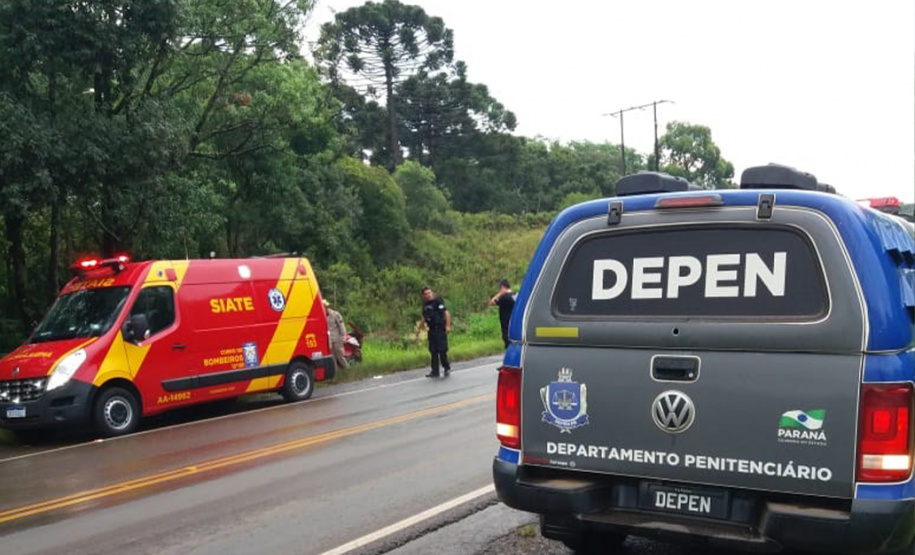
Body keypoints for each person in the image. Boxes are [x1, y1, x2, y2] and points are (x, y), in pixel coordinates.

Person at [416, 286, 451, 378]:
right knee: (433, 351)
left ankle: (446, 367)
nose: (428, 295)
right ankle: (435, 371)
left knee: (442, 350)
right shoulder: (425, 305)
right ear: (423, 295)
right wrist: (419, 329)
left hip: (440, 328)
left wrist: (447, 326)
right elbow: (423, 318)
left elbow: (446, 314)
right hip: (431, 330)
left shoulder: (438, 301)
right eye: (426, 294)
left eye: (429, 293)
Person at [488, 279, 516, 348]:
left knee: (507, 340)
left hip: (506, 322)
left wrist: (500, 294)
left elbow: (492, 302)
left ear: (502, 287)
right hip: (514, 321)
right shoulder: (515, 295)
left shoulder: (504, 298)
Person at [324, 300, 348, 370]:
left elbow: (341, 326)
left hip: (337, 339)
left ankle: (347, 369)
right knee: (332, 358)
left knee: (340, 356)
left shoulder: (335, 314)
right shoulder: (323, 316)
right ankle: (336, 373)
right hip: (329, 340)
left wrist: (344, 336)